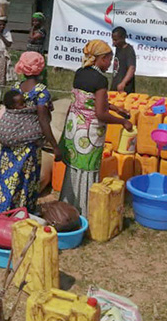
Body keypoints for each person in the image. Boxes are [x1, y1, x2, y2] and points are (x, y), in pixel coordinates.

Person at [59, 40, 133, 216]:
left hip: (74, 127)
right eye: (109, 60)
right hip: (89, 132)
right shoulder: (100, 79)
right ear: (101, 58)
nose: (110, 64)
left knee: (74, 167)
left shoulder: (80, 72)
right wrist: (122, 122)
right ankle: (83, 210)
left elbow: (87, 100)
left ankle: (68, 203)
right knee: (87, 168)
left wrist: (116, 108)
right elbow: (100, 113)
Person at [0, 52, 60, 214]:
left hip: (11, 143)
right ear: (40, 69)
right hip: (29, 145)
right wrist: (55, 146)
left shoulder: (17, 87)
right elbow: (43, 120)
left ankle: (3, 208)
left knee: (8, 174)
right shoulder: (41, 92)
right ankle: (22, 210)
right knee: (25, 178)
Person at [110, 26, 136, 93]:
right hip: (115, 86)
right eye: (113, 39)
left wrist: (123, 83)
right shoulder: (118, 48)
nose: (113, 42)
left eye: (116, 40)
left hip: (125, 89)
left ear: (123, 38)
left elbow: (132, 68)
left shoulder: (129, 50)